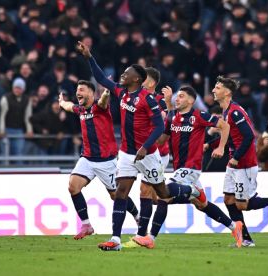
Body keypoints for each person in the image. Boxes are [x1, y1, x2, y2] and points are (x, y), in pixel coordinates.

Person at [76, 41, 201, 251]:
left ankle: (191, 190)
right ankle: (115, 240)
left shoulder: (148, 99)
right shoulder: (121, 92)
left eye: (126, 73)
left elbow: (160, 125)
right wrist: (89, 56)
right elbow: (99, 78)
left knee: (163, 193)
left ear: (136, 79)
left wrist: (145, 147)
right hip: (126, 153)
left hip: (149, 155)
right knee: (121, 192)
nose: (122, 75)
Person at [128, 86, 244, 249]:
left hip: (191, 167)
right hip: (179, 169)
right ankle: (234, 226)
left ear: (191, 101)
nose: (177, 98)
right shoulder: (172, 117)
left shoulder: (199, 115)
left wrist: (221, 147)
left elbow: (225, 126)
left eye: (181, 96)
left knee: (164, 197)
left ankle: (151, 238)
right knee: (201, 205)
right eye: (177, 96)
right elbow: (161, 141)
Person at [212, 76, 268, 247]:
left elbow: (249, 136)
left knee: (242, 205)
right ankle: (245, 239)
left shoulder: (235, 112)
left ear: (227, 92)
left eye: (217, 88)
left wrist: (235, 157)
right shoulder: (227, 112)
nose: (213, 90)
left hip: (244, 163)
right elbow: (233, 137)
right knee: (228, 200)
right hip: (234, 163)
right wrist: (210, 144)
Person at [58, 80, 139, 240]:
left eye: (81, 90)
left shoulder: (99, 107)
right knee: (73, 187)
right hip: (87, 158)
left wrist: (106, 93)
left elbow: (103, 101)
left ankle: (138, 217)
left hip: (106, 161)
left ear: (90, 93)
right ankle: (87, 225)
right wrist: (62, 103)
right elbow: (68, 106)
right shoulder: (80, 109)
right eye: (77, 90)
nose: (78, 93)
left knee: (116, 195)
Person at [134, 67, 171, 241]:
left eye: (144, 77)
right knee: (155, 196)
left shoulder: (160, 101)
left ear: (151, 82)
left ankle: (142, 234)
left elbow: (163, 124)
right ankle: (191, 195)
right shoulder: (135, 97)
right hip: (140, 152)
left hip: (156, 153)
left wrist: (168, 106)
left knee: (146, 191)